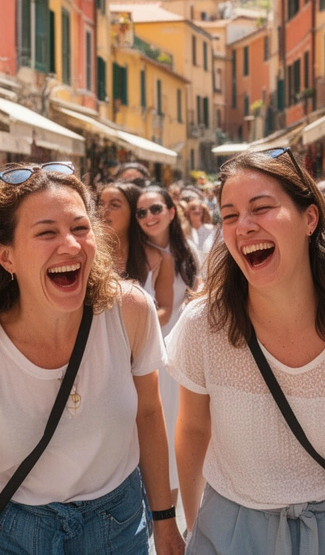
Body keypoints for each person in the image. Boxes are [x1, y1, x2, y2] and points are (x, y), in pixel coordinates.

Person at [168, 148, 325, 553]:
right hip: (230, 533)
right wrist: (192, 526)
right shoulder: (203, 325)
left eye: (261, 208)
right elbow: (193, 430)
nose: (244, 226)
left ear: (310, 218)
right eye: (230, 215)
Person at [0, 162, 184, 555]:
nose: (71, 245)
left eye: (80, 228)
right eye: (46, 232)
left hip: (119, 524)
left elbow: (149, 413)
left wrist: (165, 521)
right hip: (14, 532)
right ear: (6, 257)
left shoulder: (130, 311)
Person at [137, 185, 201, 513]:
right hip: (150, 353)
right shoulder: (137, 255)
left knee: (179, 431)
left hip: (181, 353)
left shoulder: (188, 250)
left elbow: (197, 293)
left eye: (155, 209)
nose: (149, 216)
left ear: (171, 212)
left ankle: (176, 514)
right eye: (142, 212)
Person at [183, 193, 218, 264]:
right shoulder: (184, 231)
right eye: (193, 208)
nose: (197, 211)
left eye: (200, 209)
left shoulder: (211, 230)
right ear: (188, 212)